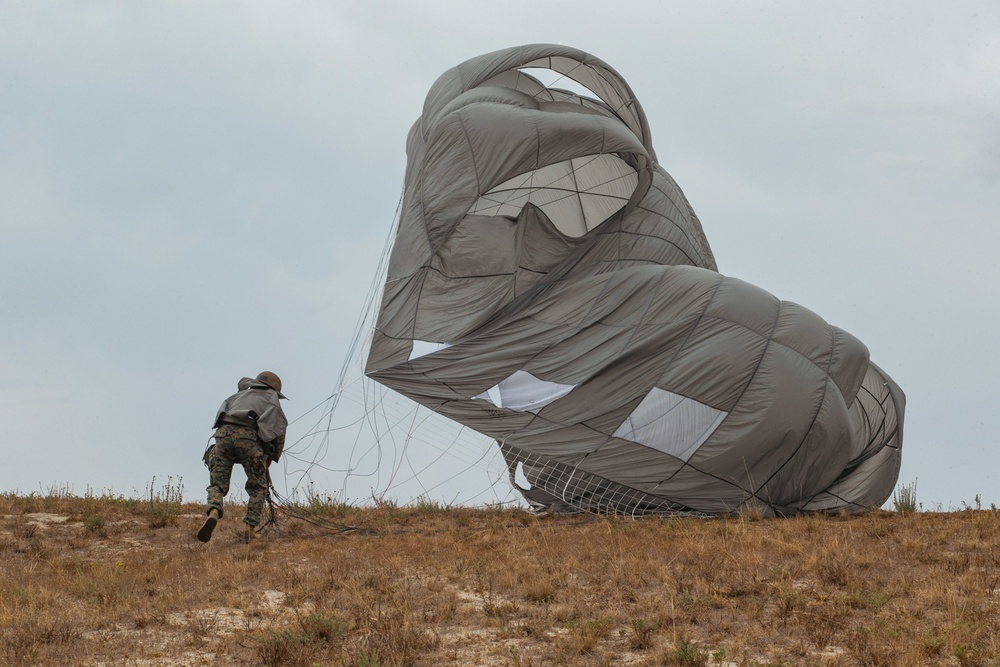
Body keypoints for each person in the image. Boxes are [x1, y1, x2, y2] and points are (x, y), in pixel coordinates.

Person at [198, 371, 288, 543]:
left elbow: (220, 418)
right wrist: (271, 457)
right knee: (258, 487)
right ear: (275, 390)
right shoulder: (272, 400)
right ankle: (250, 528)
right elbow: (279, 431)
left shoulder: (237, 396)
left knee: (217, 485)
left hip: (222, 437)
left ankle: (214, 511)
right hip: (248, 441)